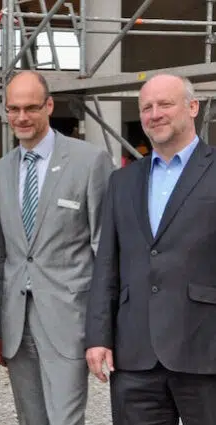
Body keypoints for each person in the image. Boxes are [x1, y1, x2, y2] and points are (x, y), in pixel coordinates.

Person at [86, 74, 216, 425]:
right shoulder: (122, 181)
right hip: (135, 354)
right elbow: (107, 264)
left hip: (205, 348)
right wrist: (98, 337)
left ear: (193, 107)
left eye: (165, 104)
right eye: (146, 107)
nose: (154, 114)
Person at [0, 71, 113, 425]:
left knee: (65, 419)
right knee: (30, 419)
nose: (22, 117)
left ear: (49, 106)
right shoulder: (0, 171)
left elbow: (105, 251)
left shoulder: (89, 161)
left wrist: (102, 328)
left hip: (68, 319)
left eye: (31, 108)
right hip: (17, 322)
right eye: (13, 109)